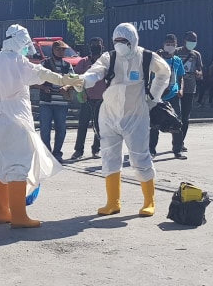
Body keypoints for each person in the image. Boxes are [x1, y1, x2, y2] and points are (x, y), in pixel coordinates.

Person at [0, 24, 84, 228]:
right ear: (19, 42)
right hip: (16, 120)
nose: (27, 48)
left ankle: (2, 212)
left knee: (0, 167)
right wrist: (64, 79)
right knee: (18, 166)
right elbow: (43, 74)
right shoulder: (19, 62)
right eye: (25, 44)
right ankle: (18, 216)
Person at [80, 23, 170, 217]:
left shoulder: (146, 57)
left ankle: (149, 201)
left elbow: (164, 72)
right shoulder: (109, 57)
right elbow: (95, 71)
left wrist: (153, 97)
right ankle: (113, 202)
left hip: (136, 116)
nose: (120, 45)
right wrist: (83, 80)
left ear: (134, 40)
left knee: (140, 157)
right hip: (109, 115)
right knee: (109, 157)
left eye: (124, 41)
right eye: (117, 41)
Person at [34, 40, 75, 163]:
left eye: (63, 50)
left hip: (62, 102)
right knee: (45, 129)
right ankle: (46, 154)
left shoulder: (68, 65)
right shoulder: (44, 63)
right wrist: (43, 87)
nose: (61, 52)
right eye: (59, 49)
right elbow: (33, 81)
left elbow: (74, 81)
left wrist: (66, 87)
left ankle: (57, 153)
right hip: (46, 102)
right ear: (53, 50)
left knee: (61, 129)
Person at [149, 34, 186, 160]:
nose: (170, 46)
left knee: (177, 123)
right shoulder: (157, 59)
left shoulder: (177, 60)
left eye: (172, 44)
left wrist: (181, 89)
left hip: (173, 95)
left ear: (176, 46)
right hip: (158, 95)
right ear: (163, 44)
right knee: (154, 124)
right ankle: (151, 151)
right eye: (168, 44)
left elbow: (181, 77)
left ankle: (177, 150)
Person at [71, 37, 106, 160]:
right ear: (89, 47)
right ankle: (78, 151)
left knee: (99, 126)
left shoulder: (106, 61)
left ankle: (96, 150)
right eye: (93, 45)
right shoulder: (84, 62)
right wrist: (82, 91)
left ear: (102, 47)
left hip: (102, 99)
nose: (96, 47)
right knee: (82, 126)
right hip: (87, 98)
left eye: (98, 45)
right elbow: (76, 78)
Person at [175, 31, 203, 152]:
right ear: (184, 40)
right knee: (176, 116)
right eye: (190, 39)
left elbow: (201, 72)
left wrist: (198, 74)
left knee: (185, 118)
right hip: (175, 89)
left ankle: (180, 142)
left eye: (194, 40)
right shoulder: (176, 52)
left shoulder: (196, 55)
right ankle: (176, 141)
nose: (192, 42)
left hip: (190, 89)